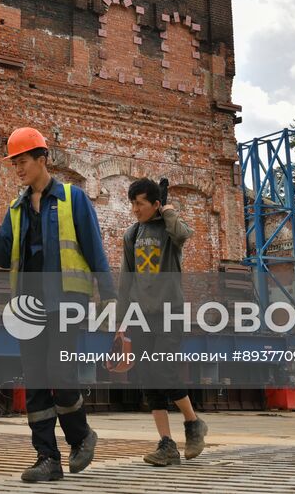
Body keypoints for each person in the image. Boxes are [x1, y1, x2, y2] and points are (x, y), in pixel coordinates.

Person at [0, 127, 112, 484]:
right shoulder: (17, 208)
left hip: (67, 299)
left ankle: (81, 437)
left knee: (61, 373)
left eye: (22, 161)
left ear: (41, 159)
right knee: (35, 380)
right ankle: (47, 458)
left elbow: (95, 248)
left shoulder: (72, 198)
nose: (18, 168)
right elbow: (6, 257)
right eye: (14, 163)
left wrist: (112, 297)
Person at [118, 178, 207, 466]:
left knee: (163, 368)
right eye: (132, 203)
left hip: (170, 312)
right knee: (148, 380)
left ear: (155, 203)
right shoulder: (131, 235)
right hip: (141, 316)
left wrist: (168, 210)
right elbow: (126, 279)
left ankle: (193, 424)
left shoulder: (170, 230)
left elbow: (183, 235)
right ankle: (167, 445)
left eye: (140, 203)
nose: (135, 209)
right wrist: (120, 320)